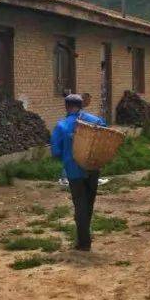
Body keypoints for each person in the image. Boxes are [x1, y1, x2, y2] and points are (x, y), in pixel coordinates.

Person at [51, 94, 107, 251]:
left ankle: (84, 242)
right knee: (89, 203)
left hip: (74, 171)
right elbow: (105, 136)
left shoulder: (62, 125)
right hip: (93, 168)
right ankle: (85, 234)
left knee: (80, 204)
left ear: (66, 106)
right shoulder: (96, 121)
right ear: (81, 105)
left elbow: (55, 151)